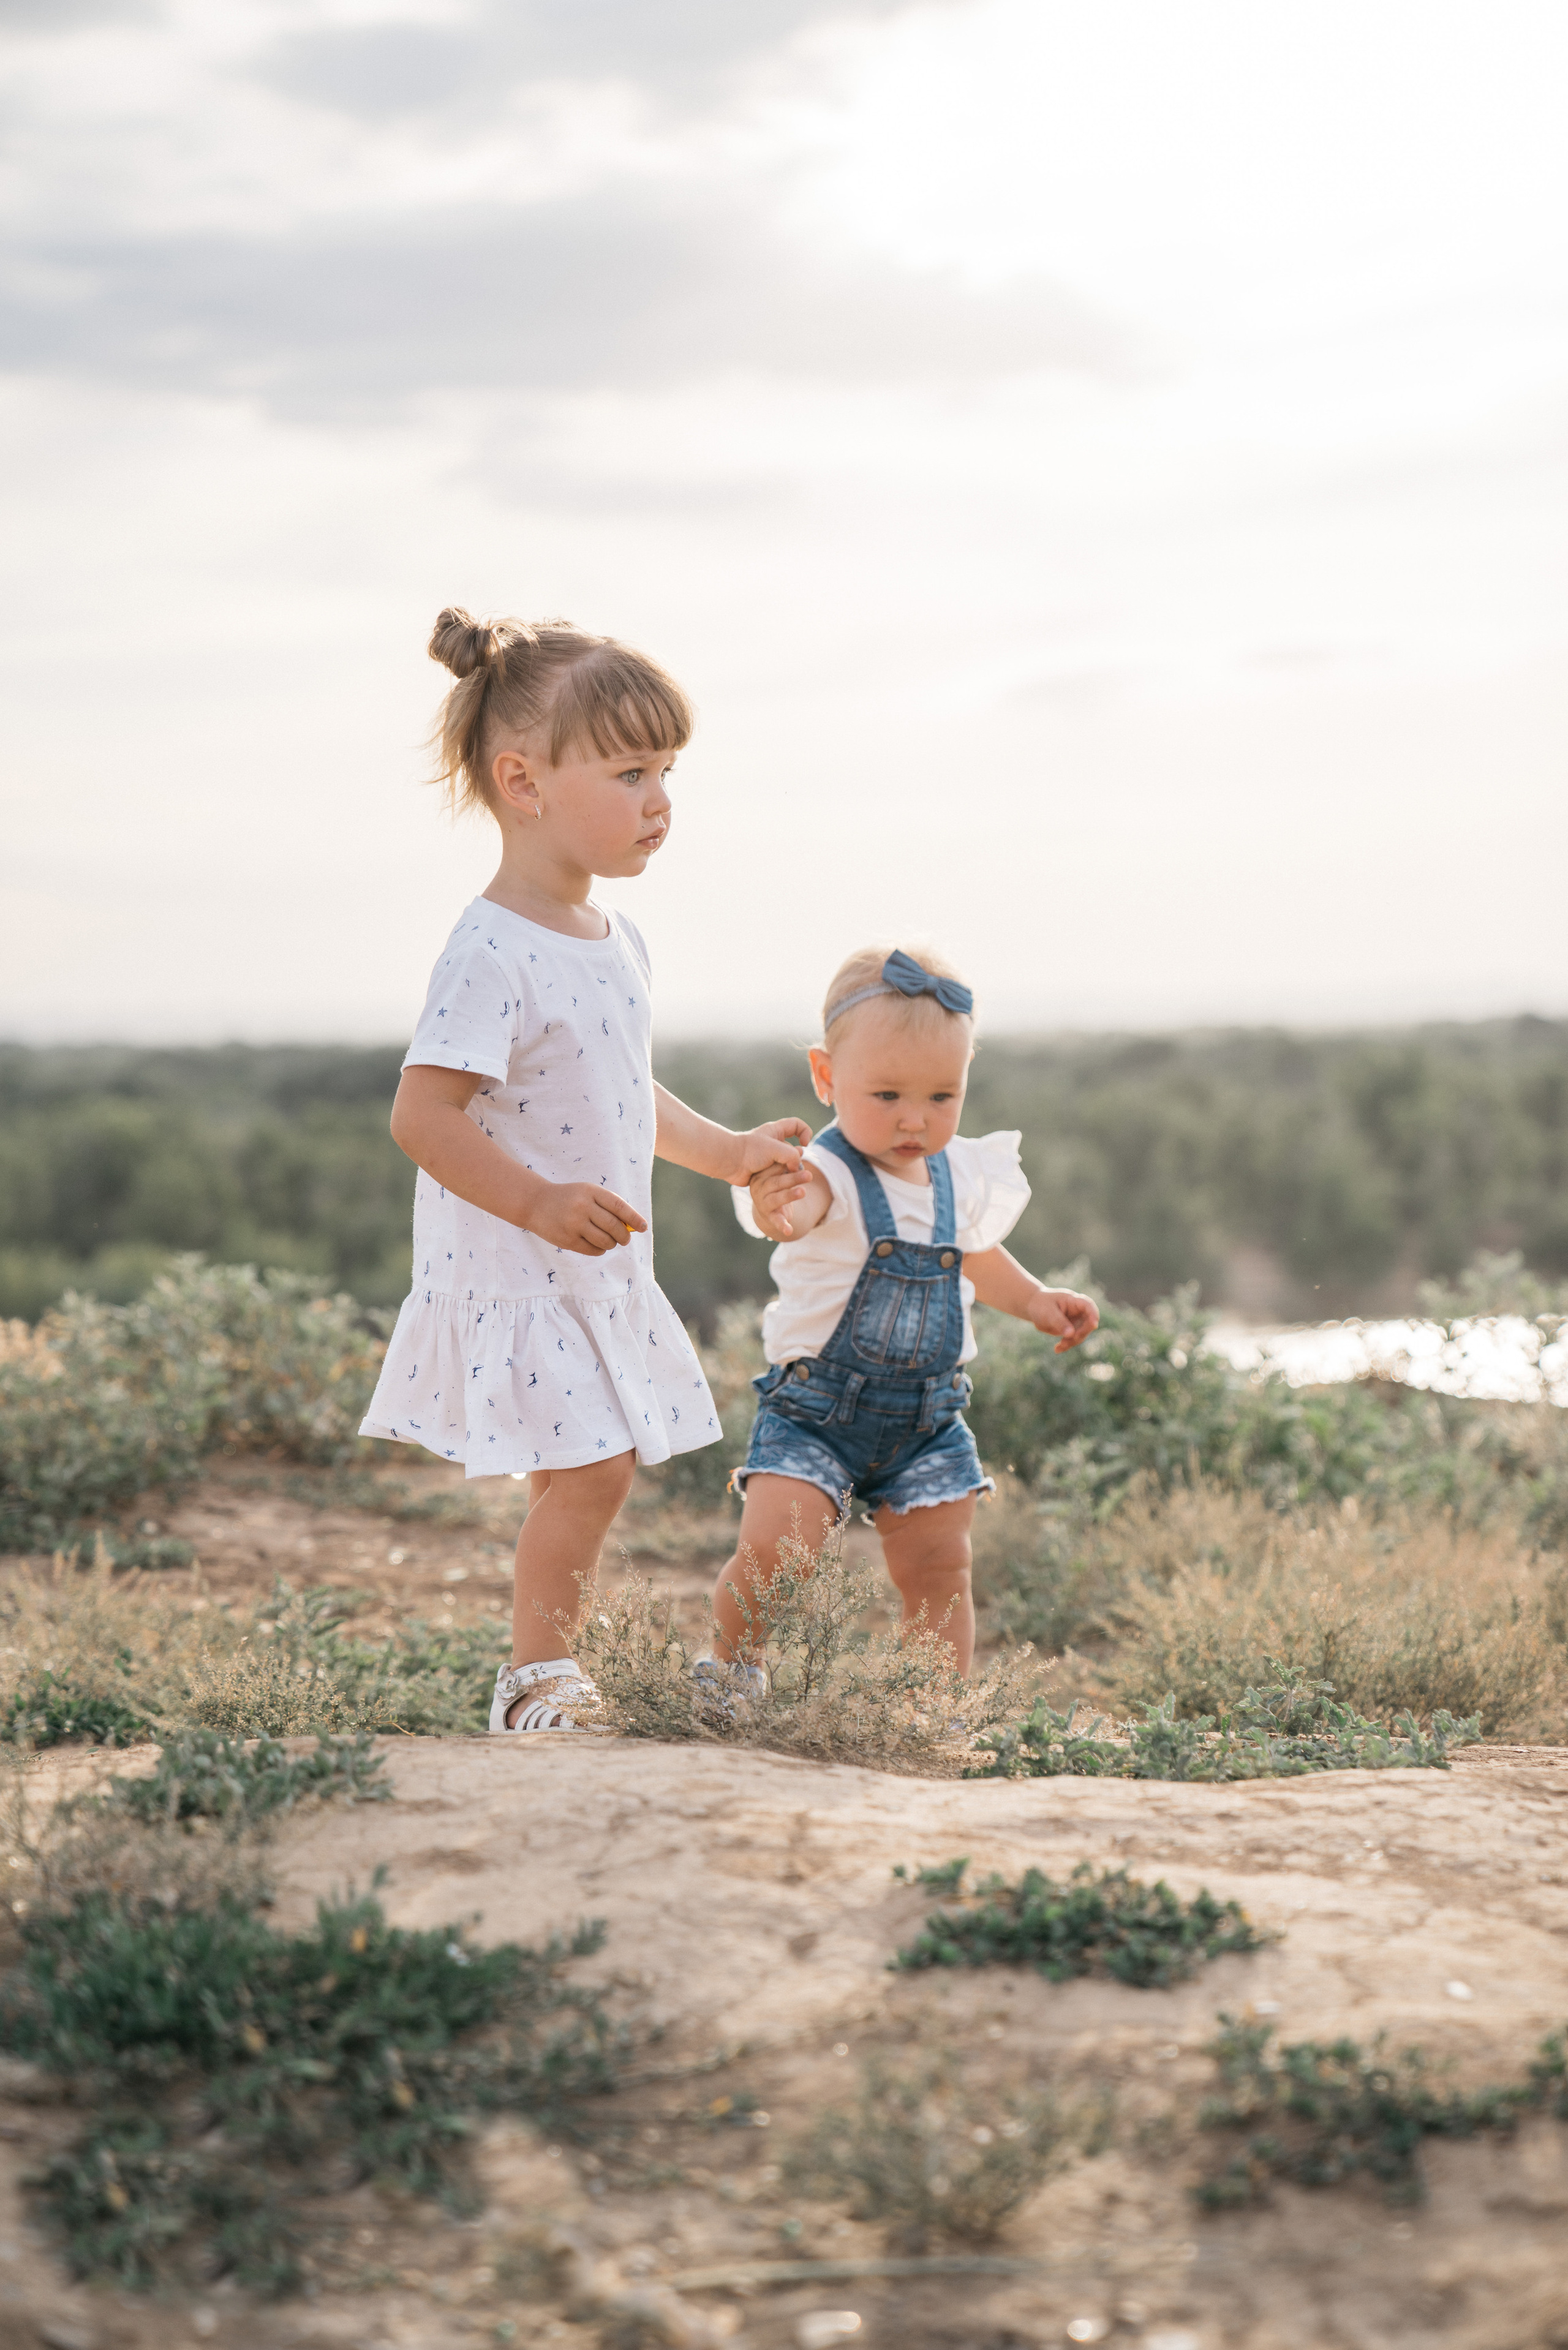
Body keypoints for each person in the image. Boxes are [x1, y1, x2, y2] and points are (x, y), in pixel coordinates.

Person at [360, 609, 809, 1733]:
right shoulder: (490, 948)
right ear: (524, 781)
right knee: (596, 1469)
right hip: (519, 1263)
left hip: (590, 1265)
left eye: (667, 770)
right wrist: (538, 1200)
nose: (660, 799)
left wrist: (731, 1155)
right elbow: (425, 1114)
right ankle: (535, 1680)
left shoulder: (617, 940)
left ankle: (548, 1670)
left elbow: (623, 1095)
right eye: (629, 771)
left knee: (591, 1470)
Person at [715, 944, 1098, 1679]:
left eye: (940, 1098)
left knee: (940, 1571)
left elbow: (972, 1255)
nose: (914, 1120)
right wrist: (777, 1206)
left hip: (927, 1422)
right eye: (886, 1096)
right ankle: (732, 1669)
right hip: (815, 1413)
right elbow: (797, 1215)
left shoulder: (959, 1175)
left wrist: (1035, 1301)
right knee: (775, 1554)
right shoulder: (827, 1171)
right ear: (826, 1077)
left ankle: (934, 1705)